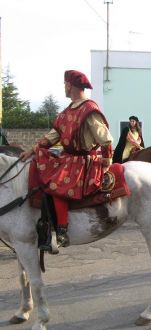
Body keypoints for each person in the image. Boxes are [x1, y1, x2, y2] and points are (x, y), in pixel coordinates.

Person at [20, 70, 113, 247]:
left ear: (70, 85)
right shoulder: (67, 111)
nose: (64, 87)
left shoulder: (89, 110)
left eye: (65, 84)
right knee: (42, 176)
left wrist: (106, 161)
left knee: (57, 186)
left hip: (83, 161)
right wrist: (33, 150)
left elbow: (106, 138)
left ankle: (62, 231)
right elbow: (53, 135)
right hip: (68, 159)